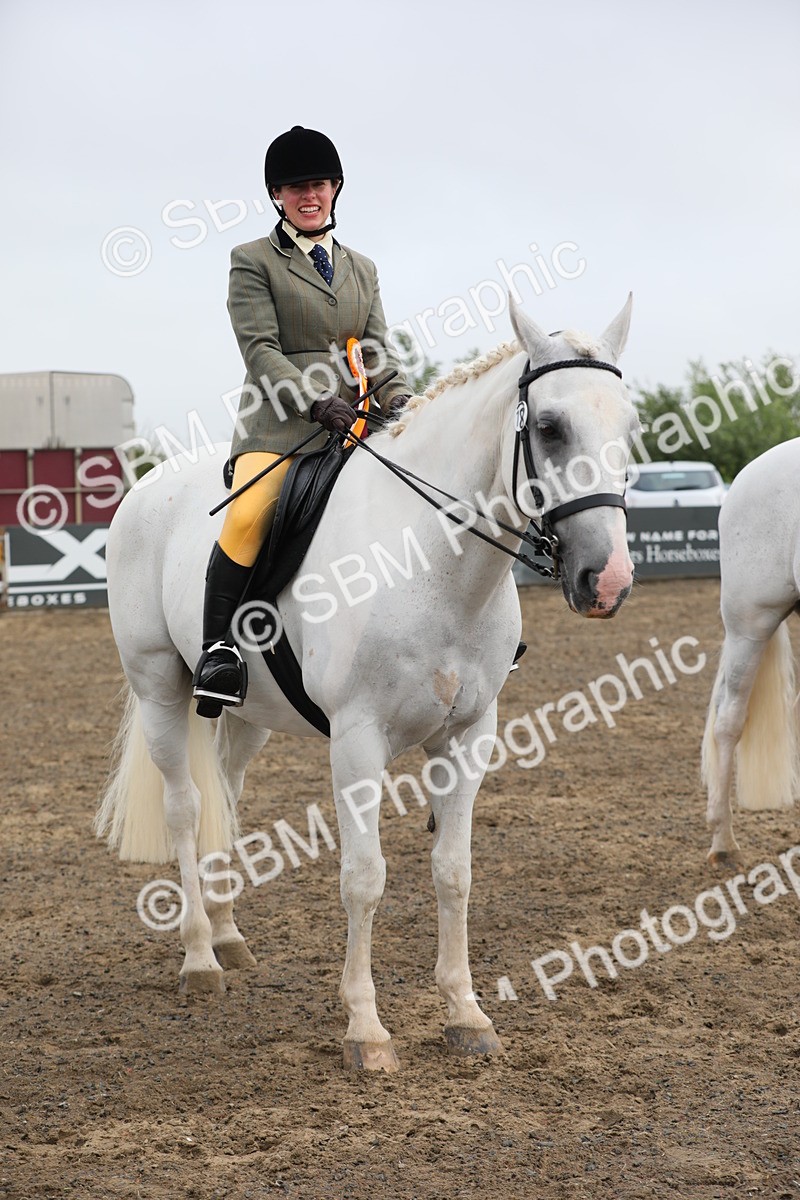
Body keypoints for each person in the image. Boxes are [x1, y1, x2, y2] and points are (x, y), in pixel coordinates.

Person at [192, 126, 411, 717]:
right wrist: (315, 400)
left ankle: (462, 633)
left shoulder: (362, 268)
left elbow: (377, 351)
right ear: (277, 196)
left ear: (335, 188)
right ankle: (218, 651)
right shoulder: (253, 260)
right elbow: (259, 349)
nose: (307, 196)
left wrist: (401, 402)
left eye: (317, 184)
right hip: (281, 425)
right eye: (294, 188)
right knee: (248, 514)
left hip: (356, 425)